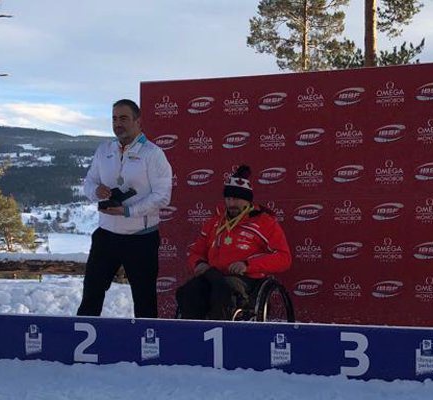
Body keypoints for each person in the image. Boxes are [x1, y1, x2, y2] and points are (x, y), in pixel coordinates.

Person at [77, 99, 172, 318]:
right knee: (91, 294)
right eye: (114, 118)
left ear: (138, 122)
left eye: (123, 118)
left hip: (140, 238)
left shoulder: (153, 154)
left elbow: (162, 196)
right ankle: (80, 344)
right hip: (106, 235)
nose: (117, 123)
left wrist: (129, 211)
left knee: (144, 300)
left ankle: (148, 346)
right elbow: (88, 183)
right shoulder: (104, 150)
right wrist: (97, 191)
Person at [176, 165, 292, 320]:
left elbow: (284, 258)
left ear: (247, 200)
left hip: (246, 279)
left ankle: (222, 331)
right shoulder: (215, 221)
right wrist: (198, 264)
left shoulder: (265, 222)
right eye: (228, 198)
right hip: (213, 275)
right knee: (190, 291)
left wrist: (248, 265)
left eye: (237, 199)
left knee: (224, 290)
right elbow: (196, 251)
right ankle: (191, 334)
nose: (232, 203)